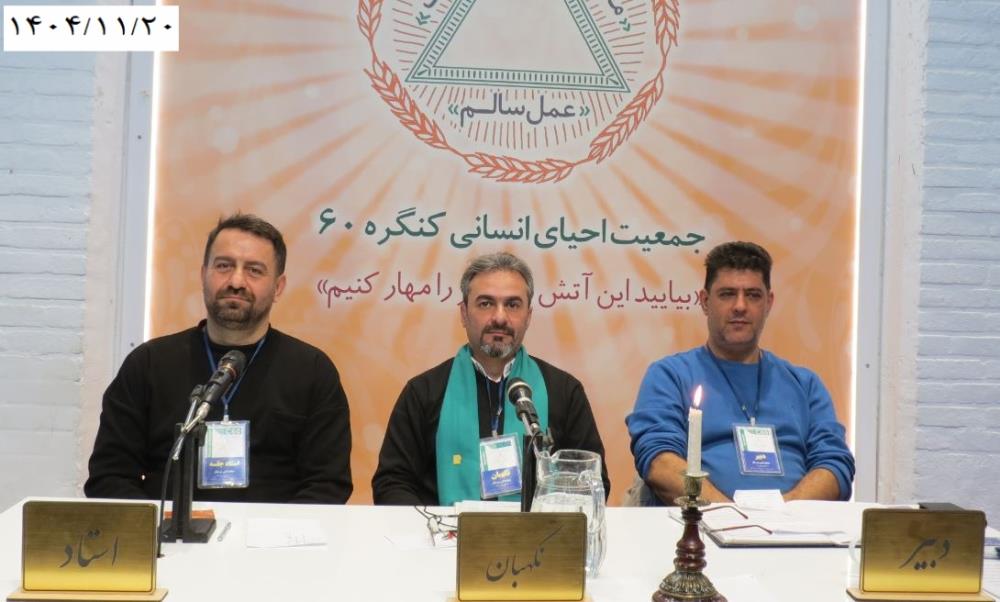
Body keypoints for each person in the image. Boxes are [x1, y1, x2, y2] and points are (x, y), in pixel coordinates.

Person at [85, 213, 352, 503]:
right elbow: (109, 477)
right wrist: (158, 526)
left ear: (278, 287)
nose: (236, 281)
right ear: (203, 275)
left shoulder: (312, 371)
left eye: (254, 270)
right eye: (224, 266)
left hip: (273, 531)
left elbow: (327, 485)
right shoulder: (148, 364)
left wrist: (271, 530)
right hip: (168, 529)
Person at [373, 252, 609, 505]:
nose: (499, 317)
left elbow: (592, 482)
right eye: (486, 304)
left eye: (512, 305)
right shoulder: (424, 392)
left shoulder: (563, 391)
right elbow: (392, 482)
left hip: (538, 531)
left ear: (528, 316)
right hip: (443, 531)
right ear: (464, 313)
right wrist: (436, 524)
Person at [627, 241, 854, 504]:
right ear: (705, 302)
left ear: (769, 303)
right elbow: (659, 462)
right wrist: (730, 515)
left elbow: (834, 465)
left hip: (795, 525)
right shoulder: (670, 376)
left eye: (753, 295)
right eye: (727, 294)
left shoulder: (806, 385)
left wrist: (784, 516)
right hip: (702, 524)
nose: (740, 306)